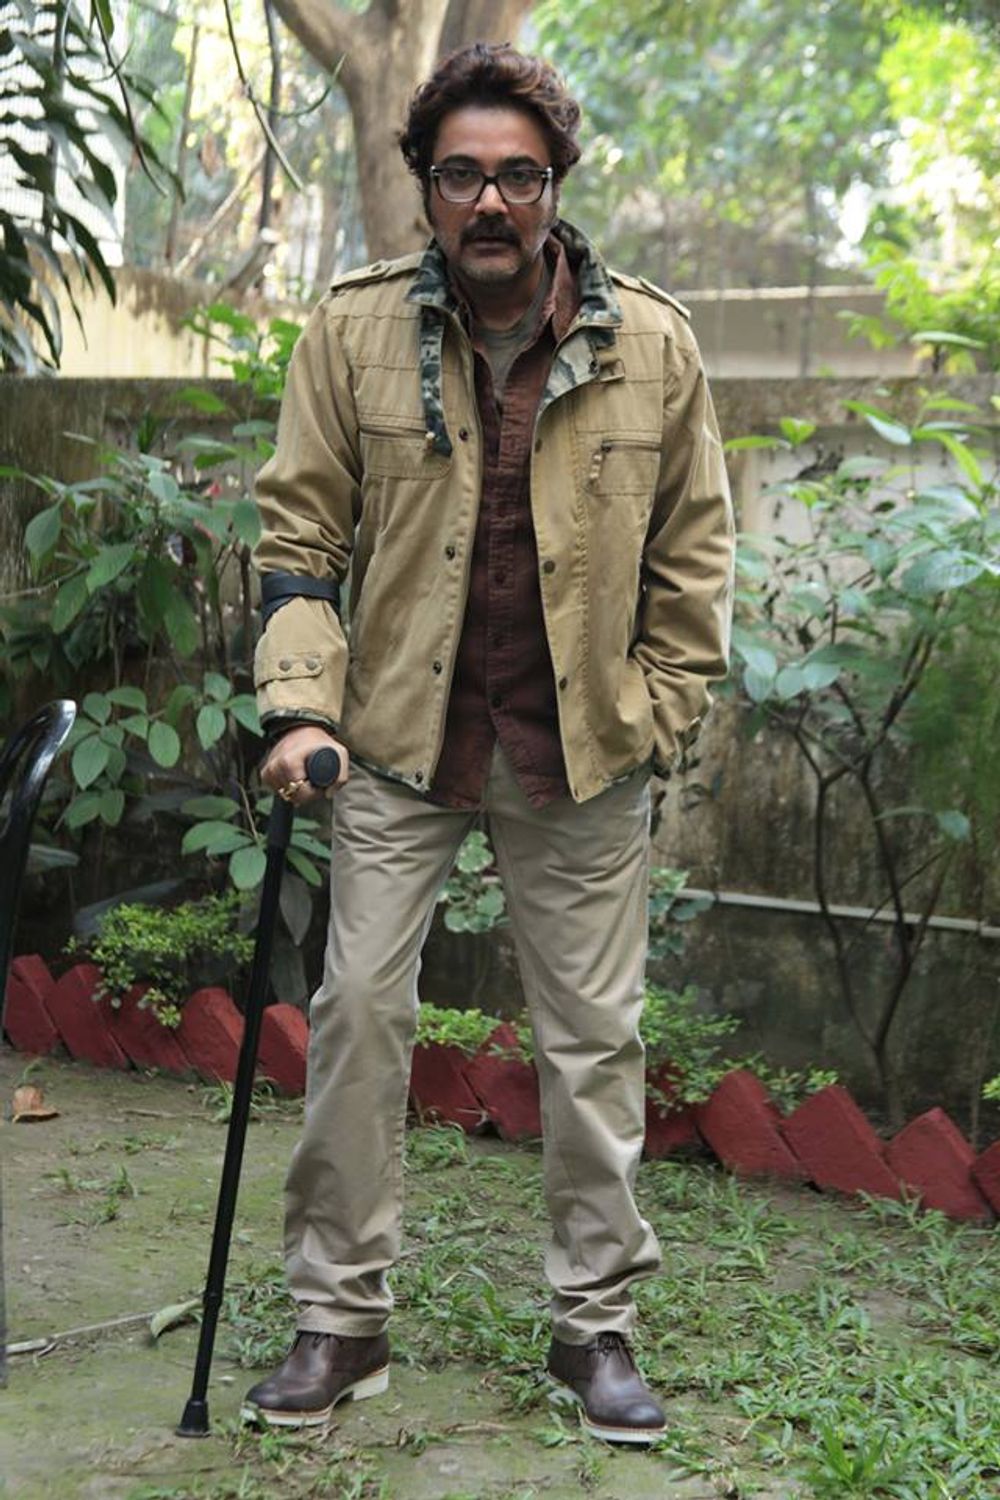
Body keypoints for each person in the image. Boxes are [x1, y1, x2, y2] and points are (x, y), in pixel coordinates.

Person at [243, 42, 734, 1445]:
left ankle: (597, 1326)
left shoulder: (654, 346)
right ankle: (341, 1318)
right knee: (356, 1016)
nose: (491, 202)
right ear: (426, 189)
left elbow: (696, 559)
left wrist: (660, 709)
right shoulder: (350, 334)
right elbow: (300, 535)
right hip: (399, 740)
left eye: (519, 174)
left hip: (581, 750)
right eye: (461, 175)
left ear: (556, 185)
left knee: (593, 1042)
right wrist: (302, 708)